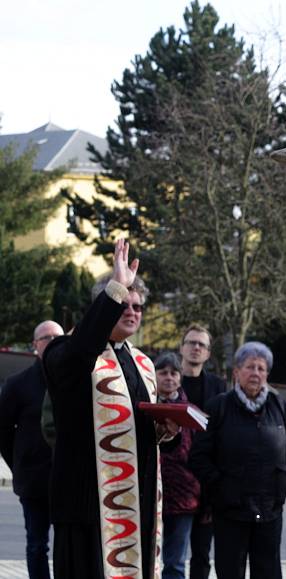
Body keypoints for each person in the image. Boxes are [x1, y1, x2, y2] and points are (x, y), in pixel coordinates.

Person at [43, 238, 178, 579]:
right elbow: (81, 351)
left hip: (136, 507)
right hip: (89, 507)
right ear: (103, 306)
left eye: (138, 306)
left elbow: (143, 425)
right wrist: (116, 285)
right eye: (124, 303)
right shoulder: (65, 351)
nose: (132, 311)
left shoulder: (143, 363)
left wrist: (166, 431)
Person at [190, 341, 286, 579]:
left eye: (261, 369)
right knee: (231, 571)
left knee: (268, 573)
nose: (256, 373)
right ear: (236, 372)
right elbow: (199, 457)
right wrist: (221, 487)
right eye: (250, 367)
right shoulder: (219, 406)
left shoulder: (279, 405)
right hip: (231, 512)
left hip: (270, 511)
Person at [0, 320, 64, 579]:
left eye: (56, 338)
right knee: (37, 544)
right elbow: (3, 430)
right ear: (35, 345)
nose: (51, 342)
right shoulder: (18, 383)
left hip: (68, 480)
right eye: (45, 338)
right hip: (34, 480)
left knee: (67, 545)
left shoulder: (77, 380)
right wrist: (19, 465)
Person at [179, 324, 226, 579]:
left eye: (202, 345)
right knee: (169, 552)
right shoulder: (166, 379)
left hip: (204, 481)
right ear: (181, 348)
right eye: (191, 343)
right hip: (172, 478)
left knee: (201, 552)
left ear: (208, 353)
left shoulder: (219, 387)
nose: (196, 348)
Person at [155, 352, 202, 579]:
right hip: (150, 497)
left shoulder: (191, 412)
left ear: (180, 378)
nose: (168, 378)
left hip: (182, 497)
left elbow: (199, 453)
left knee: (175, 564)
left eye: (174, 373)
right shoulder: (143, 407)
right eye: (162, 372)